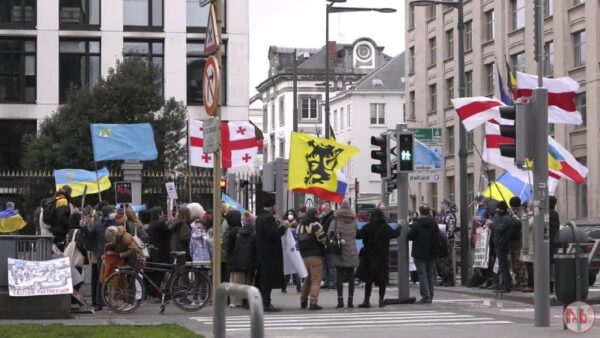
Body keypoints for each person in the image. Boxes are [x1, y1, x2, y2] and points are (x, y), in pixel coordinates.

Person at [356, 208, 399, 308]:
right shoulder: (385, 227)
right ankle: (381, 300)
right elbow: (394, 234)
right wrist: (399, 227)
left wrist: (355, 228)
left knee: (368, 279)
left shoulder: (367, 227)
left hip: (369, 256)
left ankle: (366, 301)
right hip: (382, 256)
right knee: (382, 279)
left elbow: (358, 236)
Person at [82, 205, 117, 311]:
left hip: (113, 254)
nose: (114, 214)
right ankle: (98, 302)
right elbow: (89, 236)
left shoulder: (116, 223)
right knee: (101, 279)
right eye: (111, 212)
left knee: (112, 279)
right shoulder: (98, 225)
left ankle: (108, 300)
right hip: (102, 255)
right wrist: (83, 227)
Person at [254, 198, 287, 312]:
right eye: (275, 206)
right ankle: (266, 303)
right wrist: (284, 227)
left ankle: (262, 301)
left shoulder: (259, 217)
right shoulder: (268, 218)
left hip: (261, 252)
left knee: (262, 279)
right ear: (272, 206)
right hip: (269, 253)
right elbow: (272, 234)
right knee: (267, 280)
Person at [330, 201, 359, 309]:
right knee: (351, 277)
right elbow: (356, 235)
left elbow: (330, 235)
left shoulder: (335, 222)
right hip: (351, 251)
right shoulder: (354, 222)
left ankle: (340, 301)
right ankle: (350, 301)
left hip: (340, 251)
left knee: (339, 277)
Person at [297, 207, 326, 310]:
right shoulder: (316, 225)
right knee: (316, 280)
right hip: (316, 256)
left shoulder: (300, 225)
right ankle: (313, 302)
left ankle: (303, 301)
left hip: (303, 256)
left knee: (307, 279)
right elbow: (322, 239)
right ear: (315, 214)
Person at [408, 205, 438, 304]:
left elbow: (410, 236)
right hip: (431, 251)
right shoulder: (434, 223)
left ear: (420, 213)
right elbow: (437, 236)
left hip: (419, 251)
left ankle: (425, 295)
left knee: (422, 274)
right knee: (430, 274)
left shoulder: (417, 223)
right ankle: (430, 295)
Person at [229, 211, 257, 308]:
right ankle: (248, 301)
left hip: (241, 259)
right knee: (250, 279)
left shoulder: (239, 232)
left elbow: (236, 247)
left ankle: (244, 300)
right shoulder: (254, 232)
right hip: (252, 258)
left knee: (242, 280)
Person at [223, 209, 244, 307]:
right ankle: (236, 301)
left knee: (232, 278)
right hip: (237, 257)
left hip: (230, 257)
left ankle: (232, 300)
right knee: (238, 280)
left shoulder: (228, 230)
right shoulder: (237, 231)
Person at [492, 201, 514, 294]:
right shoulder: (500, 217)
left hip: (503, 245)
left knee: (503, 266)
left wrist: (494, 223)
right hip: (499, 244)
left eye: (498, 208)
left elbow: (498, 229)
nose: (497, 210)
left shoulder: (506, 219)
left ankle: (505, 285)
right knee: (501, 266)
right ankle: (503, 285)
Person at [508, 197, 529, 292]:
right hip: (513, 241)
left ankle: (523, 282)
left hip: (519, 241)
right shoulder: (513, 212)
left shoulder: (521, 213)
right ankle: (518, 281)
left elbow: (522, 226)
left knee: (519, 262)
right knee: (514, 262)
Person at [66, 211, 88, 291]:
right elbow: (80, 245)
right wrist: (85, 255)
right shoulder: (77, 231)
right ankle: (74, 298)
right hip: (77, 258)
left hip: (71, 257)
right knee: (78, 279)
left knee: (73, 278)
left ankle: (72, 297)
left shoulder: (70, 230)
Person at [438, 198, 457, 286]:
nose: (441, 205)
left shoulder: (450, 215)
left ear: (446, 205)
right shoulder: (443, 215)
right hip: (443, 240)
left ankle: (450, 279)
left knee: (448, 260)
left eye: (442, 204)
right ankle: (444, 278)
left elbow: (451, 228)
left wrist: (446, 237)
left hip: (448, 240)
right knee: (443, 261)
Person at [282, 209, 302, 293]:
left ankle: (298, 286)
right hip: (287, 248)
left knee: (295, 268)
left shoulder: (297, 224)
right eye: (289, 214)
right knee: (288, 268)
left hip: (294, 248)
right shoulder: (284, 223)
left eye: (291, 214)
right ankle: (284, 285)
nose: (290, 215)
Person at [49, 185, 74, 251]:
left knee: (55, 250)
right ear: (68, 192)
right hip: (60, 230)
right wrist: (69, 222)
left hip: (54, 228)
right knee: (59, 251)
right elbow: (61, 216)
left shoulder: (56, 197)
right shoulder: (63, 200)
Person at [319, 203, 336, 289]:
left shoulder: (332, 218)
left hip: (329, 243)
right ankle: (327, 282)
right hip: (324, 242)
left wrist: (326, 239)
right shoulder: (323, 218)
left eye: (324, 210)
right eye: (322, 210)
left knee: (330, 264)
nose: (322, 212)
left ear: (328, 209)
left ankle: (333, 282)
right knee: (325, 264)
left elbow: (330, 231)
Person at [549, 196, 560, 294]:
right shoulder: (555, 213)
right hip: (554, 242)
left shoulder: (548, 214)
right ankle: (551, 285)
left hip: (550, 242)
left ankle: (550, 285)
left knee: (550, 263)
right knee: (552, 263)